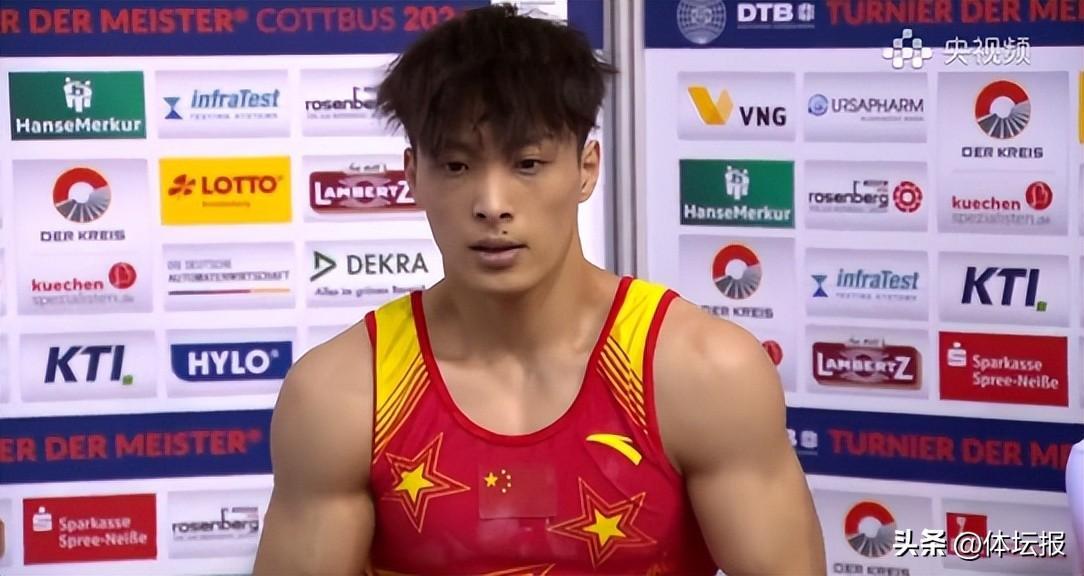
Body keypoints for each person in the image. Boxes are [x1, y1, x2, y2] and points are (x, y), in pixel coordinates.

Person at [253, 4, 825, 575]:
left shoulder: (704, 373)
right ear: (412, 176)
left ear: (586, 169)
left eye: (527, 163)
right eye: (455, 166)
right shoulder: (342, 394)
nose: (492, 204)